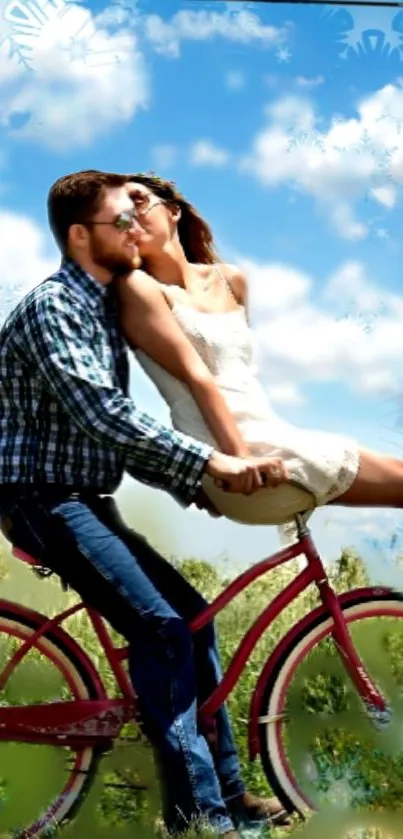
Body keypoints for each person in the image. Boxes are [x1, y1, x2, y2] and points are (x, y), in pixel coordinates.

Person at [0, 169, 292, 838]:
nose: (135, 229)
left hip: (82, 499)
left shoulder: (100, 308)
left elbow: (115, 432)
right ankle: (198, 817)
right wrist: (210, 460)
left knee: (192, 621)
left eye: (137, 217)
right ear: (80, 235)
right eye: (119, 221)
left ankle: (228, 792)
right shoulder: (55, 307)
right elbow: (104, 415)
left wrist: (190, 483)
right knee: (161, 629)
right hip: (44, 500)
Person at [116, 172, 403, 537]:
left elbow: (239, 380)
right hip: (232, 456)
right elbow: (198, 378)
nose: (129, 217)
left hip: (269, 436)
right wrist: (239, 460)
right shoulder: (138, 287)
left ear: (173, 211)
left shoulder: (230, 280)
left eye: (138, 202)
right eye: (118, 216)